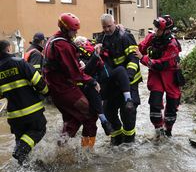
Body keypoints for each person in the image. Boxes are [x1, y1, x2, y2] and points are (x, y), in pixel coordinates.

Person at [43, 13, 100, 151]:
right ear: (64, 28)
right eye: (73, 30)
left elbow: (63, 66)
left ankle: (60, 149)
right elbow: (74, 73)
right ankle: (86, 152)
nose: (75, 33)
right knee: (91, 115)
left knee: (72, 118)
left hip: (56, 89)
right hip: (64, 88)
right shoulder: (63, 45)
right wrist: (91, 81)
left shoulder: (52, 40)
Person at [95, 13, 142, 145]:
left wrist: (128, 76)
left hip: (129, 81)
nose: (107, 29)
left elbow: (134, 58)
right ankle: (116, 137)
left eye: (109, 26)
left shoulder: (126, 37)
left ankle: (129, 140)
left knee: (128, 111)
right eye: (104, 27)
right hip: (112, 82)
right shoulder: (101, 38)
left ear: (114, 23)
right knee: (108, 110)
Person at [0, 40, 48, 165]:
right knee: (39, 130)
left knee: (22, 141)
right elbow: (37, 80)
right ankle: (21, 151)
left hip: (14, 117)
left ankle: (25, 166)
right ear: (9, 49)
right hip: (32, 112)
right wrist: (47, 92)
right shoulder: (19, 63)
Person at [135, 15, 182, 138]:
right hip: (156, 76)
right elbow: (140, 48)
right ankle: (158, 131)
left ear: (166, 30)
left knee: (172, 109)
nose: (155, 31)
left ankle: (168, 131)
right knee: (155, 105)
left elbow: (161, 64)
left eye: (158, 29)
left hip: (170, 75)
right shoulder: (152, 37)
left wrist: (142, 58)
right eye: (155, 28)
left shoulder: (172, 44)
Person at [74, 36, 113, 136]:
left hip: (101, 85)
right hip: (86, 87)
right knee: (88, 120)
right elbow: (86, 71)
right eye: (78, 44)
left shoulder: (96, 50)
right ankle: (104, 120)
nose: (82, 45)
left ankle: (88, 148)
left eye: (83, 42)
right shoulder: (77, 56)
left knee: (91, 121)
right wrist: (95, 56)